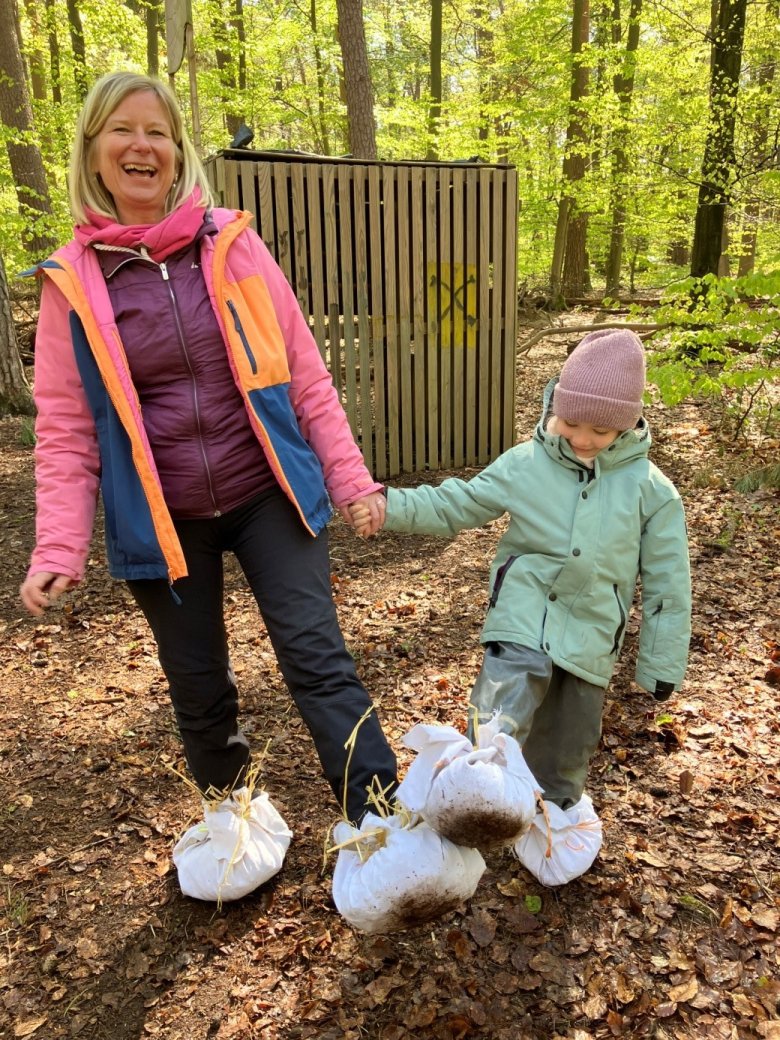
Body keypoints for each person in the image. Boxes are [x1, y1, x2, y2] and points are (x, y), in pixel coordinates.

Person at [20, 71, 396, 838]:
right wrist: (57, 544)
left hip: (269, 496)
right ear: (93, 151)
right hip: (162, 518)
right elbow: (63, 429)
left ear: (178, 150)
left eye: (157, 132)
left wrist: (350, 477)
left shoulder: (233, 245)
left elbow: (304, 372)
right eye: (122, 130)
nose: (141, 145)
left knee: (318, 660)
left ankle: (381, 819)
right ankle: (234, 831)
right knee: (198, 685)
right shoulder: (71, 285)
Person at [350, 329, 691, 883]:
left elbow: (668, 584)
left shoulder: (652, 492)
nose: (582, 438)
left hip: (591, 635)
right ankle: (465, 804)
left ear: (628, 423)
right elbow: (456, 501)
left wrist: (660, 665)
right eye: (572, 422)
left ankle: (549, 819)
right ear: (556, 405)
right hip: (523, 615)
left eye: (600, 430)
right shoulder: (526, 463)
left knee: (566, 745)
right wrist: (391, 507)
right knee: (499, 716)